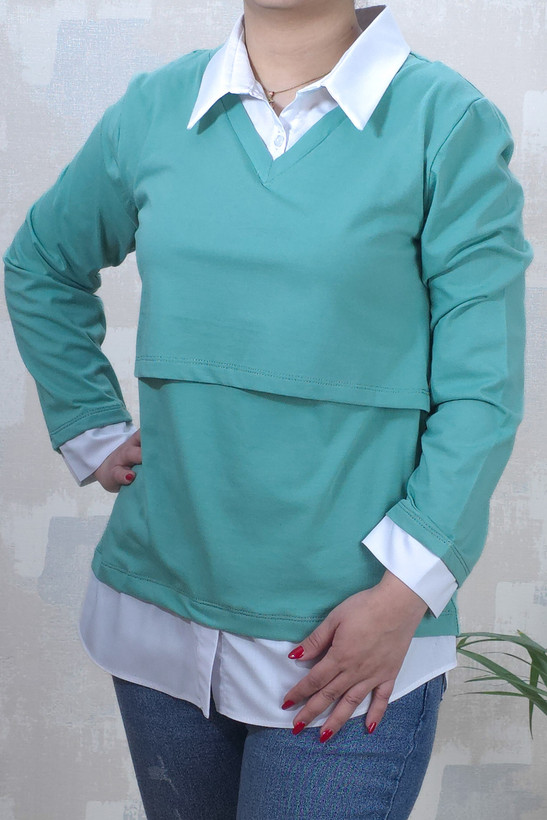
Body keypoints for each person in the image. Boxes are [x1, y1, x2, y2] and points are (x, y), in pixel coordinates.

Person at [3, 1, 533, 818]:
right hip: (158, 622)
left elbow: (481, 385)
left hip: (348, 640)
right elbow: (41, 263)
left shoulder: (445, 122)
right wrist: (90, 425)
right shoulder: (154, 108)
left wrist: (404, 592)